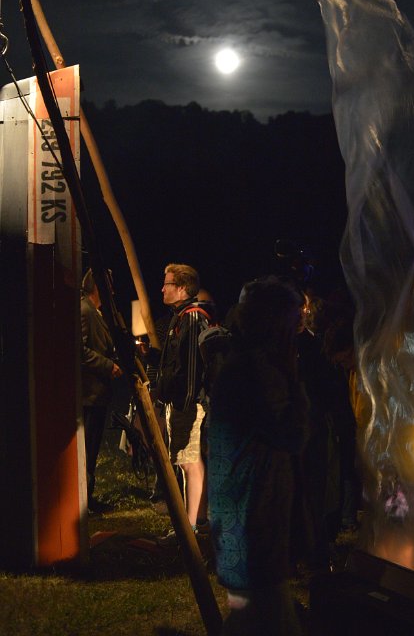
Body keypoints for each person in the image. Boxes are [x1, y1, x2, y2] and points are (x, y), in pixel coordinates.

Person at [208, 276, 310, 636]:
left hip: (238, 512)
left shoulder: (238, 364)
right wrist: (294, 381)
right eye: (293, 324)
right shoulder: (260, 373)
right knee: (264, 615)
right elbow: (293, 434)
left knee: (253, 613)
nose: (296, 335)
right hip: (254, 516)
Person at [156, 263, 214, 534]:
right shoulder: (181, 317)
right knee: (188, 461)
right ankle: (197, 521)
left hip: (187, 404)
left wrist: (185, 402)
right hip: (182, 402)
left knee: (189, 462)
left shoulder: (191, 318)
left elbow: (191, 368)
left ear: (181, 289)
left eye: (167, 284)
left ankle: (190, 525)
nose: (162, 289)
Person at [80, 268, 122, 513]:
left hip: (97, 393)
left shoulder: (95, 312)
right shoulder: (84, 310)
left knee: (92, 446)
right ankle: (83, 499)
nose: (112, 292)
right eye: (109, 286)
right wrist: (108, 366)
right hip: (89, 393)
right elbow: (80, 350)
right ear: (98, 287)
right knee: (87, 447)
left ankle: (87, 496)